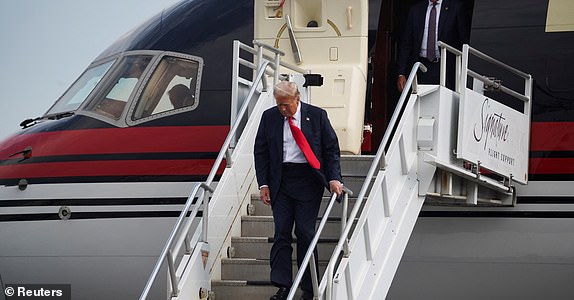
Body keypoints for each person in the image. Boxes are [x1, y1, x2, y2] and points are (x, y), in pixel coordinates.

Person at [254, 81, 343, 300]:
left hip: (308, 180)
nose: (283, 110)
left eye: (286, 105)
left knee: (305, 232)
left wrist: (334, 178)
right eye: (279, 105)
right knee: (282, 232)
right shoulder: (269, 117)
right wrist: (263, 184)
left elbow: (331, 148)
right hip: (281, 181)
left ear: (297, 99)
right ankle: (283, 285)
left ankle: (309, 287)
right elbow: (261, 151)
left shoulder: (317, 116)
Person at [396, 0, 470, 91]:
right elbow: (406, 44)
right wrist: (401, 73)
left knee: (444, 101)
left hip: (446, 67)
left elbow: (463, 41)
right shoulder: (416, 10)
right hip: (421, 67)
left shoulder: (456, 8)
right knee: (422, 102)